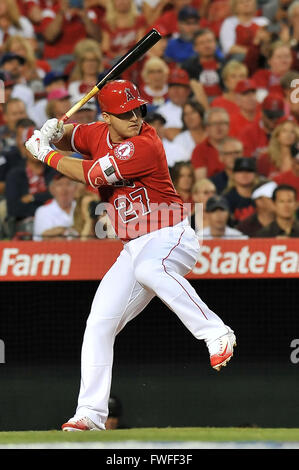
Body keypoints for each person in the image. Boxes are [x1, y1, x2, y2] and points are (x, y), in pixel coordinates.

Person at [25, 78, 236, 431]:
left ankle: (216, 332)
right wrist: (54, 130)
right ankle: (90, 415)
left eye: (138, 109)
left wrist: (45, 153)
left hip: (171, 234)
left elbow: (91, 175)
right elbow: (74, 135)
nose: (135, 117)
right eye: (125, 113)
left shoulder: (145, 144)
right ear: (106, 116)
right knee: (99, 323)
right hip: (133, 245)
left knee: (151, 269)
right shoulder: (96, 132)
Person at [239, 93, 285, 159]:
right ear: (262, 113)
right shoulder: (248, 132)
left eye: (277, 116)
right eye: (270, 116)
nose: (274, 120)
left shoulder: (286, 130)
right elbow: (245, 159)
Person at [182, 28, 223, 101]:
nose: (207, 45)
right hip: (197, 104)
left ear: (216, 44)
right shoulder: (187, 67)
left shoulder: (225, 64)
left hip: (222, 101)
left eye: (209, 41)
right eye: (202, 43)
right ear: (195, 48)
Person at [33, 174, 78, 241]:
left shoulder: (83, 206)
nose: (64, 189)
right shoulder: (43, 211)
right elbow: (45, 238)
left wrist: (59, 232)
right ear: (52, 189)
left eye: (68, 184)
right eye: (59, 184)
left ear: (75, 188)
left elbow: (90, 236)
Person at [191, 107, 229, 180]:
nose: (219, 127)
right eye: (215, 124)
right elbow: (201, 182)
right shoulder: (199, 150)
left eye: (223, 123)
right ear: (207, 127)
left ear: (228, 126)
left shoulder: (236, 146)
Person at [156, 67, 191, 141]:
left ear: (188, 90)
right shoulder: (160, 112)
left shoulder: (196, 110)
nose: (175, 90)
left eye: (179, 86)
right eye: (172, 87)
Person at [224, 156, 260, 224]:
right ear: (233, 174)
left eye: (249, 171)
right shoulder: (226, 199)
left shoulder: (262, 197)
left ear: (255, 174)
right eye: (240, 171)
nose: (244, 174)